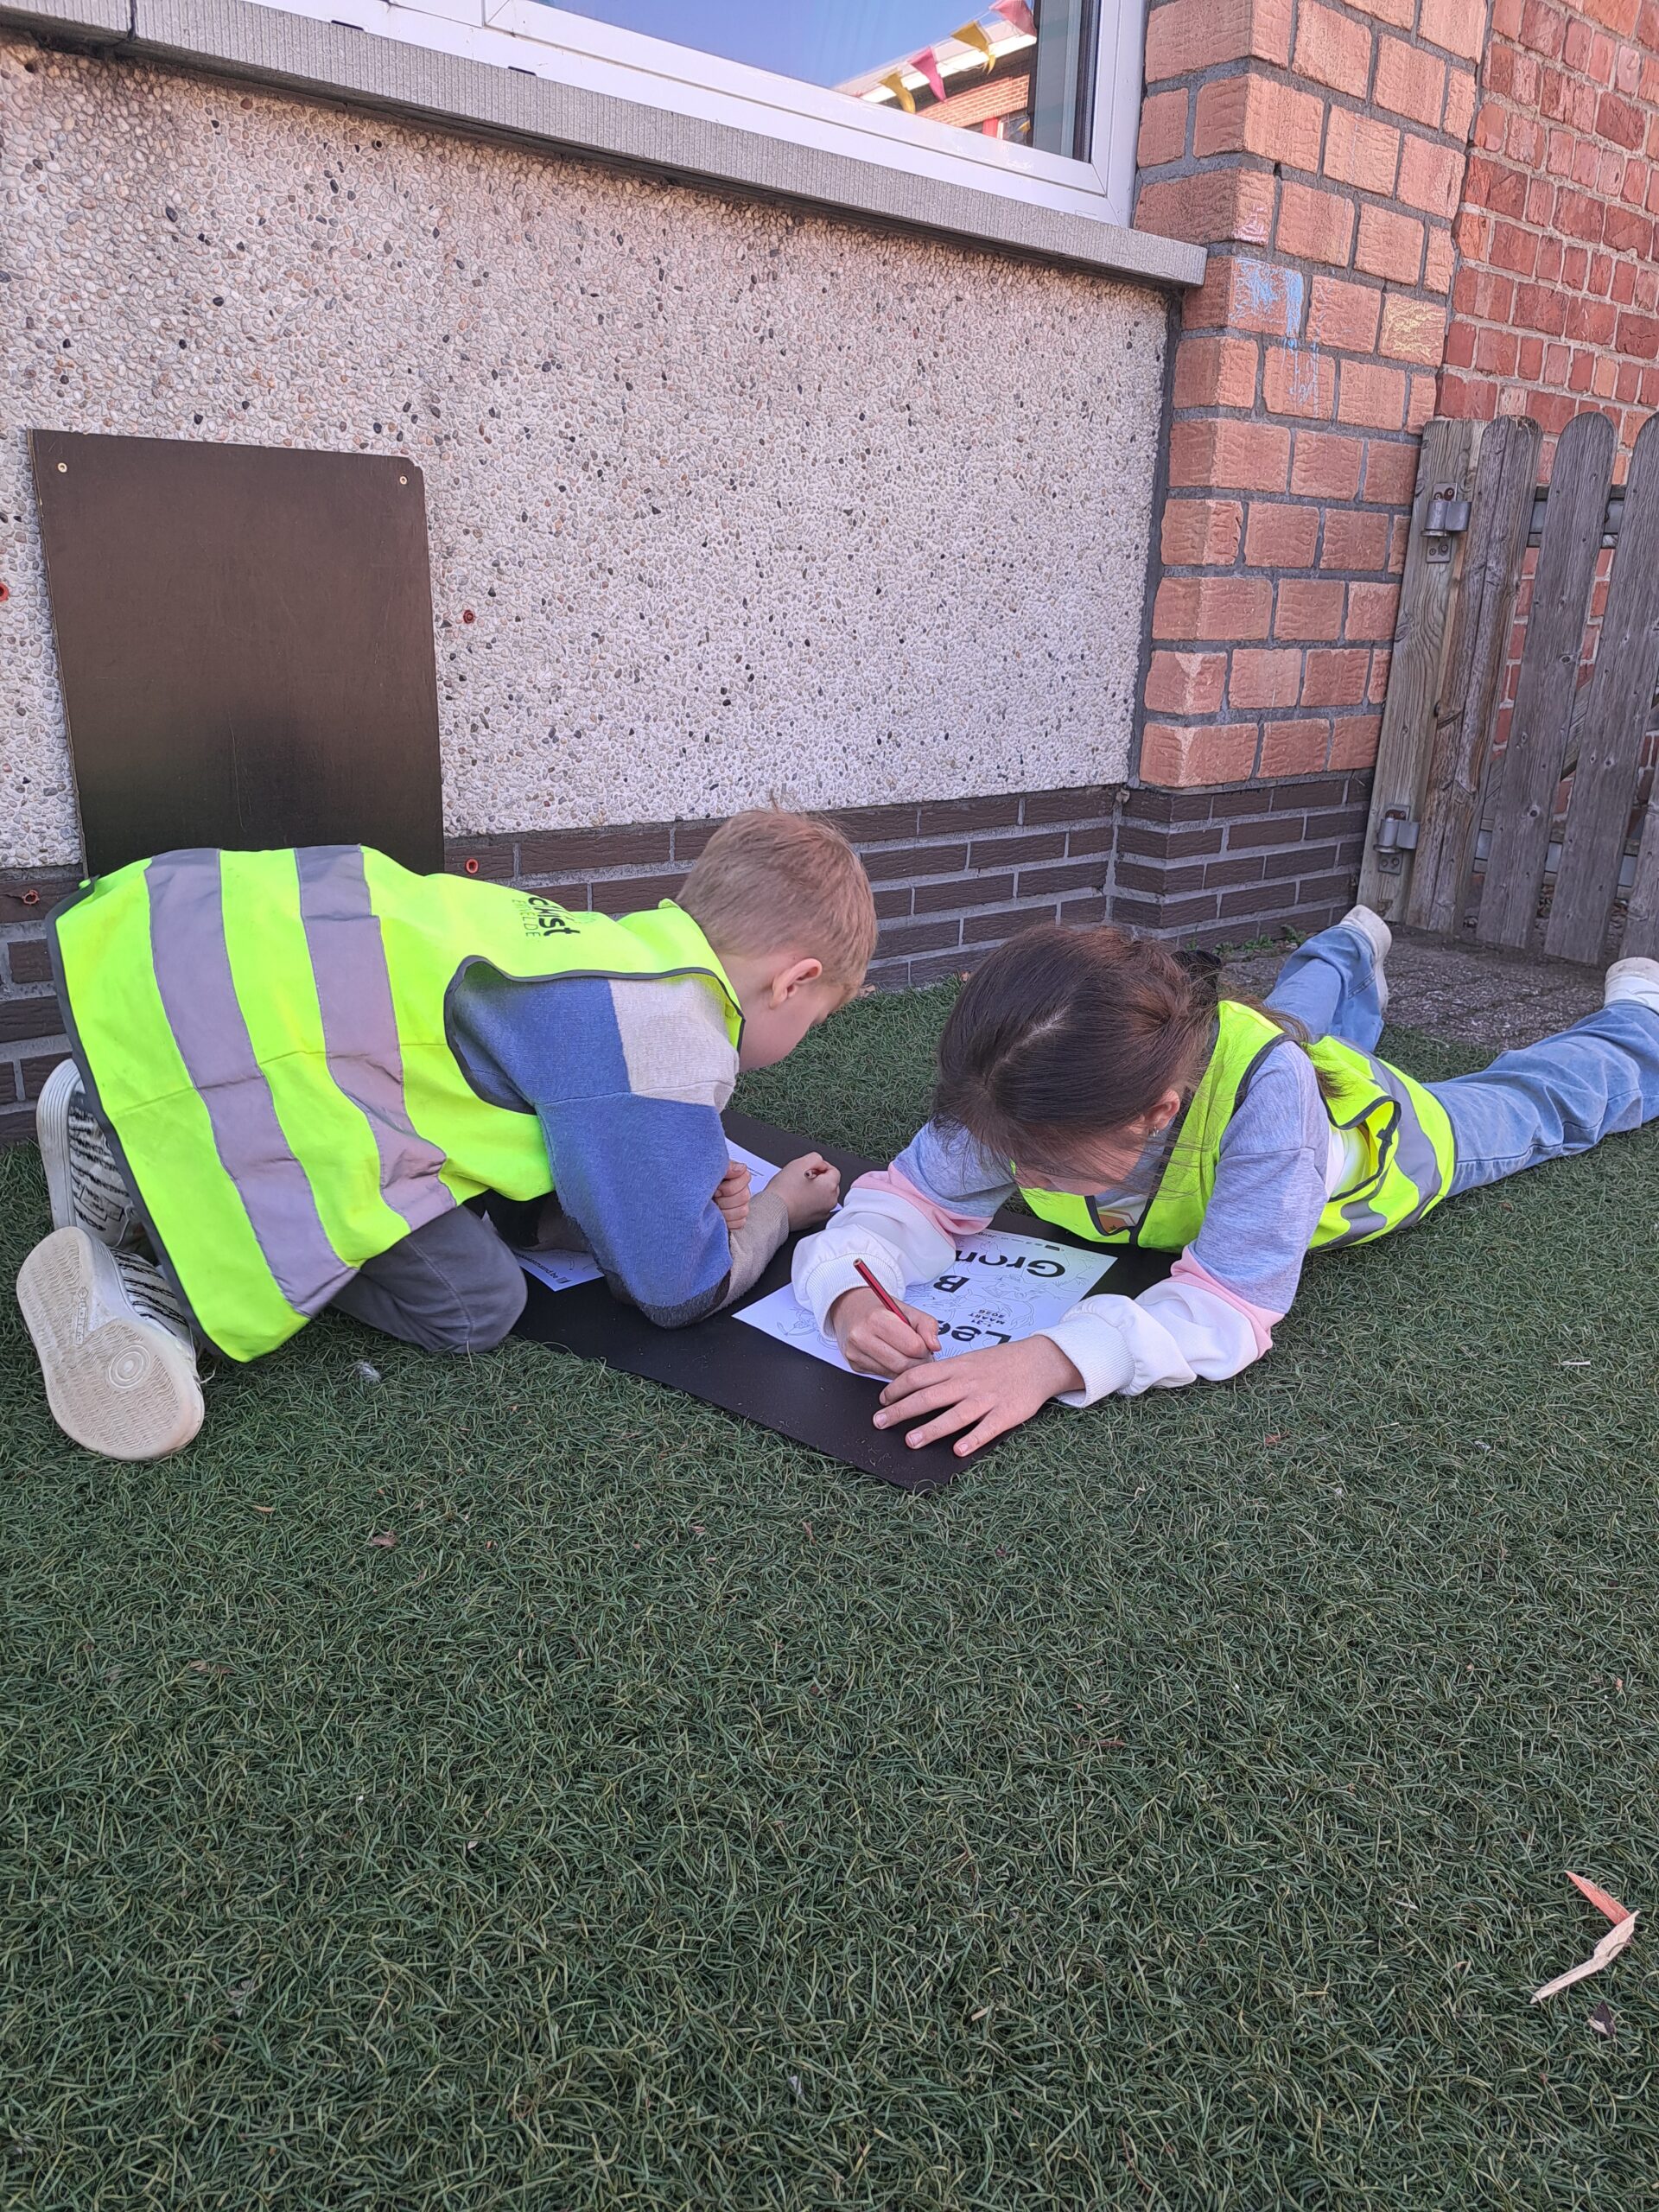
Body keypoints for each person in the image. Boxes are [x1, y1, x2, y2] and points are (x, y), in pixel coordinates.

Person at [17, 809, 874, 1462]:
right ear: (793, 982)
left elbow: (528, 1152)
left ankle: (112, 1127)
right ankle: (146, 1289)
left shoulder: (614, 948)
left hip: (190, 989)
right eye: (819, 1019)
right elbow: (674, 1287)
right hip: (284, 1080)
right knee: (477, 1305)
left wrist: (657, 1196)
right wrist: (777, 1211)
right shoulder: (673, 1037)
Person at [792, 907, 1659, 1459]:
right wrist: (850, 1293)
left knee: (1537, 1106)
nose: (1016, 1176)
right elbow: (910, 1197)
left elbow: (1228, 1304)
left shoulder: (1268, 1102)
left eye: (1045, 1163)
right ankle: (1351, 942)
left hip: (1387, 1147)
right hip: (1257, 1070)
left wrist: (1050, 1360)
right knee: (1291, 1017)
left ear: (1157, 1114)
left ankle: (1634, 1025)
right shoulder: (1016, 1081)